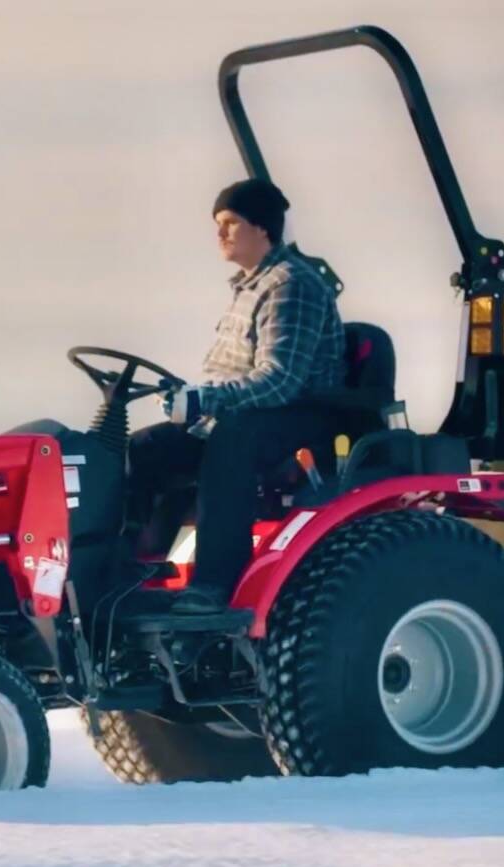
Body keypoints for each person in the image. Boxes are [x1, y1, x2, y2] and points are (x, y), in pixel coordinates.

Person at [128, 178, 346, 613]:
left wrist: (206, 400)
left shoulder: (291, 285)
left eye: (229, 222)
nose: (220, 233)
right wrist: (187, 400)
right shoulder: (249, 286)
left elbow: (281, 380)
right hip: (248, 412)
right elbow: (229, 375)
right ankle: (136, 566)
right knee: (145, 447)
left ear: (262, 228)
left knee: (232, 440)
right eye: (217, 223)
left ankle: (215, 584)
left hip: (300, 414)